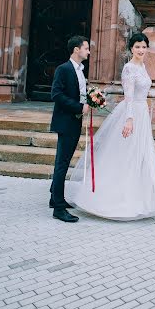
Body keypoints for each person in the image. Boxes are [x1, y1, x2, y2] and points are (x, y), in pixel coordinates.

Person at [68, 33, 155, 221]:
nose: (141, 50)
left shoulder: (143, 66)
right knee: (125, 155)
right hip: (131, 113)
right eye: (137, 46)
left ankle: (142, 199)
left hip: (142, 113)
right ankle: (116, 200)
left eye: (144, 47)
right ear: (131, 48)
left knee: (140, 155)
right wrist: (129, 120)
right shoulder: (129, 69)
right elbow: (128, 96)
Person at [50, 35, 90, 222]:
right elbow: (56, 94)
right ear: (76, 50)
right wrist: (79, 107)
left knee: (63, 162)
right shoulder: (63, 69)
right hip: (66, 121)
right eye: (86, 48)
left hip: (75, 122)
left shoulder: (80, 70)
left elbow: (80, 94)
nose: (88, 51)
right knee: (62, 164)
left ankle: (55, 198)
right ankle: (58, 209)